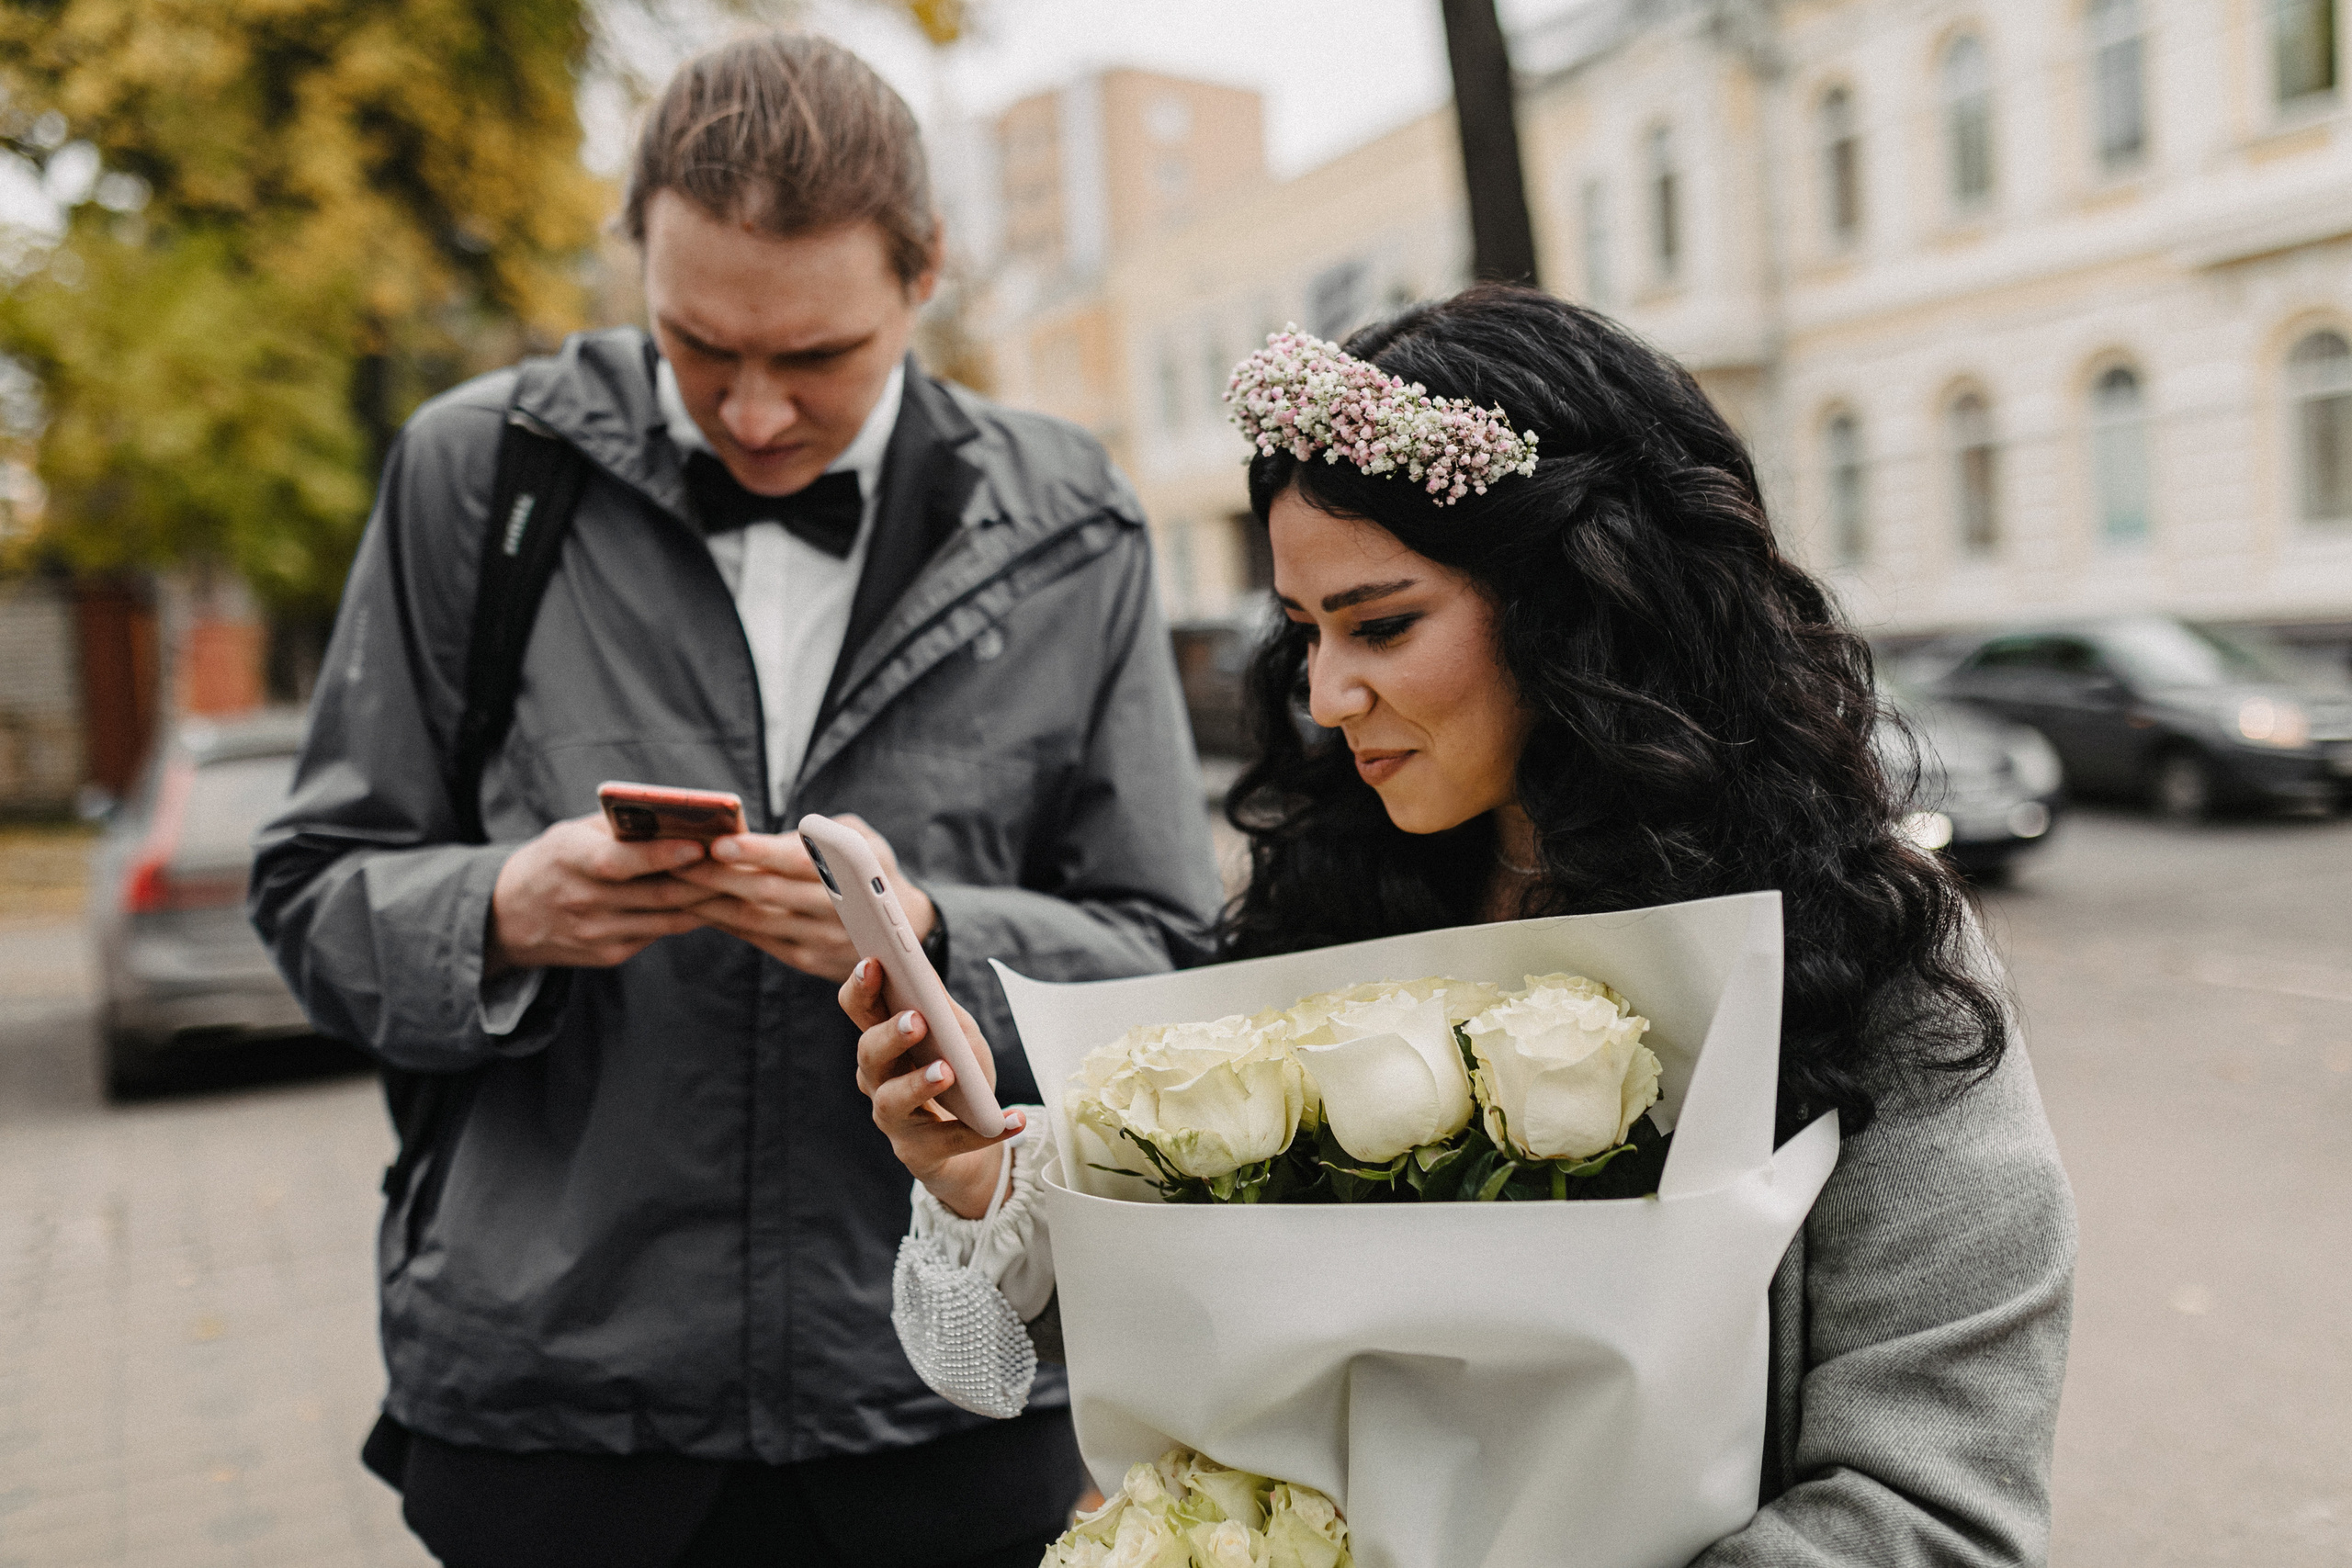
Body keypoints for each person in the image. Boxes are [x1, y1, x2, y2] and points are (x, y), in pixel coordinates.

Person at [845, 287, 2077, 1566]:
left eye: (1382, 624)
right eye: (1306, 630)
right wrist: (997, 1189)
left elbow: (1938, 1515)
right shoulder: (1329, 903)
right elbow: (1070, 1355)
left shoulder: (1866, 946)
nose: (1326, 695)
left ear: (1583, 604)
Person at [250, 32, 1220, 1568]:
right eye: (699, 346)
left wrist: (932, 936)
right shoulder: (472, 476)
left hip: (951, 1405)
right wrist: (502, 914)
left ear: (926, 277)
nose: (755, 413)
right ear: (636, 259)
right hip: (554, 1405)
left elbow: (1168, 957)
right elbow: (309, 892)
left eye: (815, 359)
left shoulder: (1073, 515)